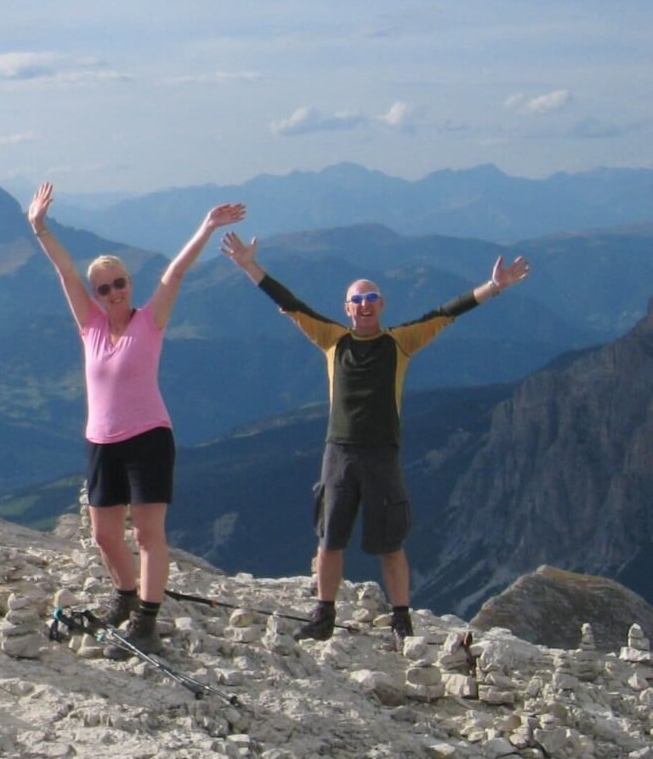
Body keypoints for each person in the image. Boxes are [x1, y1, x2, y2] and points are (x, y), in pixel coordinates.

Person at [220, 230, 531, 641]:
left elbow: (447, 311)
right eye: (357, 300)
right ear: (347, 309)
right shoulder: (333, 339)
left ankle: (401, 618)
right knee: (329, 540)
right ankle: (323, 615)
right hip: (340, 453)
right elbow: (289, 303)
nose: (364, 306)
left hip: (382, 454)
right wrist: (249, 266)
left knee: (390, 542)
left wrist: (494, 287)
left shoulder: (400, 342)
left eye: (371, 298)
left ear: (381, 305)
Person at [28, 183, 244, 658]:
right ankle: (126, 595)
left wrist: (207, 227)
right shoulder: (90, 324)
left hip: (149, 436)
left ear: (130, 284)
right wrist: (40, 228)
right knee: (105, 535)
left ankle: (146, 620)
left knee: (148, 534)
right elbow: (66, 271)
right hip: (101, 441)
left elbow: (176, 272)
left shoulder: (150, 319)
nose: (112, 293)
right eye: (103, 288)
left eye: (119, 283)